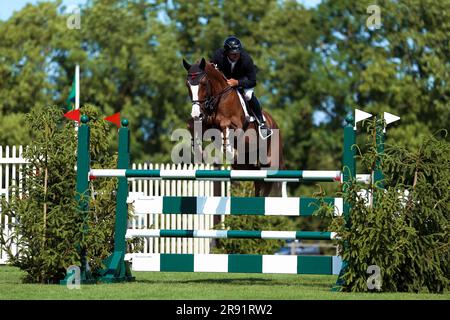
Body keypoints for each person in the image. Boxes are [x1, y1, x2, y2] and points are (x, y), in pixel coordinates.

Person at [211, 36, 272, 138]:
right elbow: (212, 70)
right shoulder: (218, 55)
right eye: (233, 53)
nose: (236, 55)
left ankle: (262, 123)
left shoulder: (246, 59)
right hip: (225, 81)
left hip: (243, 80)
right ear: (226, 52)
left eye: (237, 53)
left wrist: (238, 83)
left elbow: (252, 81)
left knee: (248, 95)